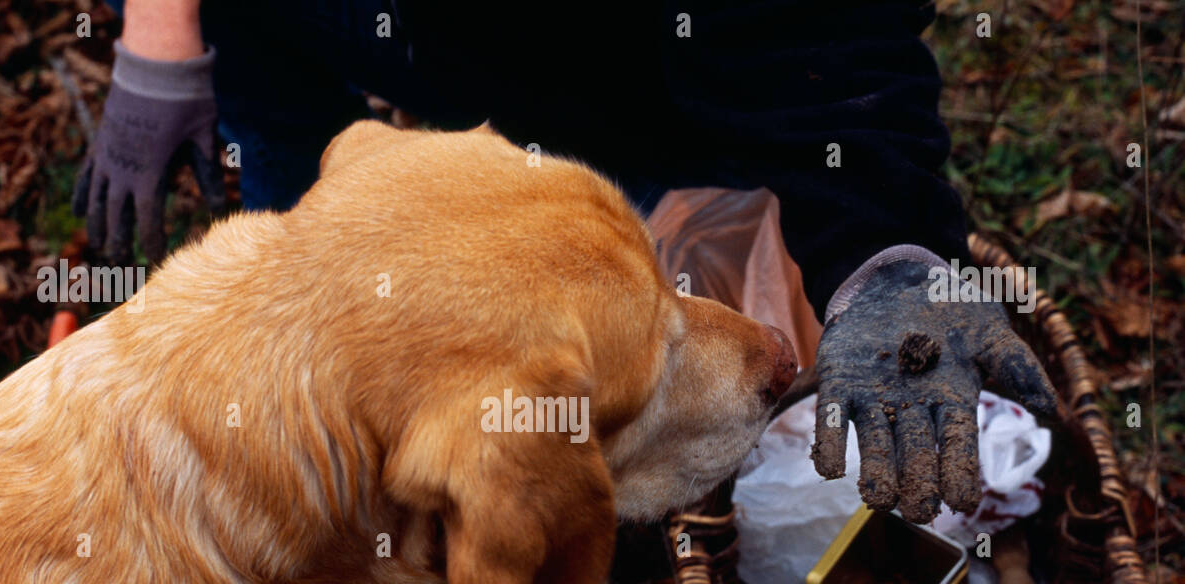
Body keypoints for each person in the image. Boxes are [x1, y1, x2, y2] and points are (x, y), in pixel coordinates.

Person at [73, 0, 1058, 524]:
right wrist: (160, 41)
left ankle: (622, 166)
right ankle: (306, 361)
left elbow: (822, 30)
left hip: (609, 42)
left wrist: (883, 251)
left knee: (667, 257)